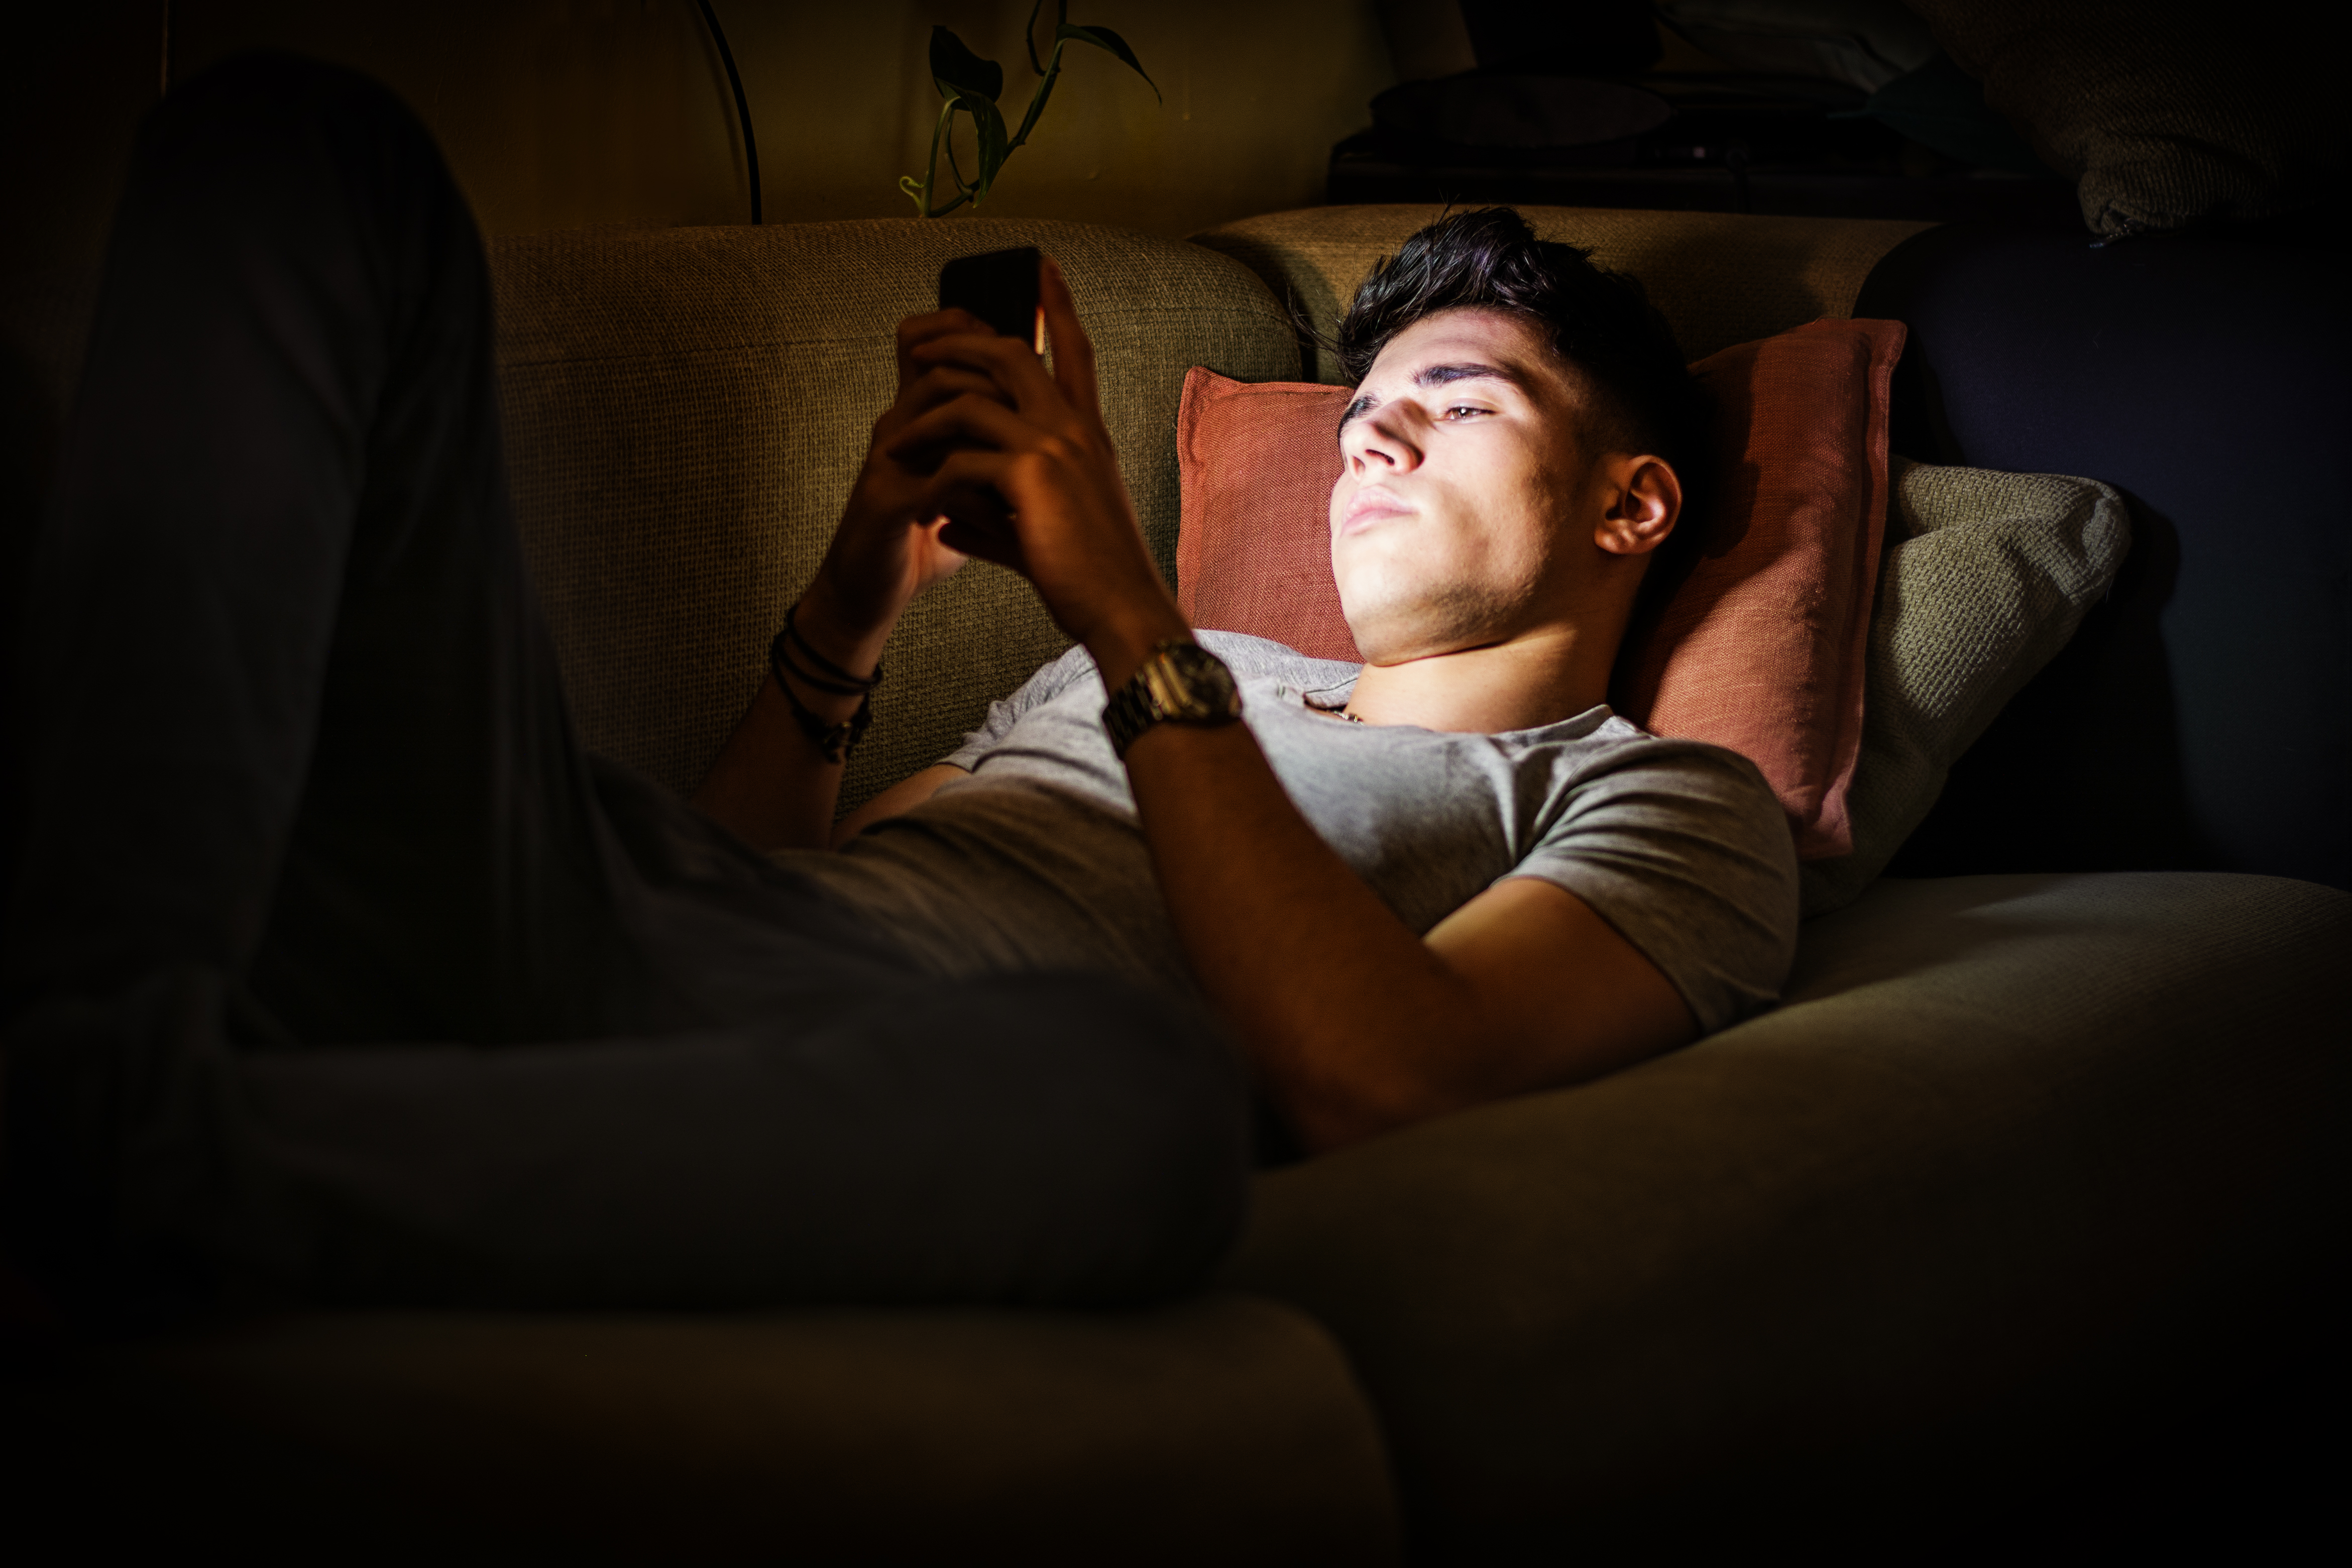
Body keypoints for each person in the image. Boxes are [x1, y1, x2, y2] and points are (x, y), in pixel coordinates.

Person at [0, 53, 1793, 1323]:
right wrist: (855, 597)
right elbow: (740, 897)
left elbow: (1390, 1085)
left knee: (1144, 1111)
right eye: (1361, 405)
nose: (1374, 429)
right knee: (300, 144)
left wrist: (1118, 608)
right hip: (599, 901)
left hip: (913, 1071)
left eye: (1460, 398)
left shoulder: (1660, 798)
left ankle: (135, 1139)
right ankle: (116, 1045)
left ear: (1634, 503)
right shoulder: (1210, 670)